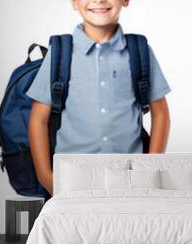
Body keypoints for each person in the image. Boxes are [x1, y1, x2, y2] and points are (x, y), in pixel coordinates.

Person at [27, 0, 171, 197]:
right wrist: (47, 178)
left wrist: (149, 170)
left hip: (129, 180)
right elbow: (38, 119)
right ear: (74, 3)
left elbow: (161, 113)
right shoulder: (61, 53)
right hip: (70, 181)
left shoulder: (139, 51)